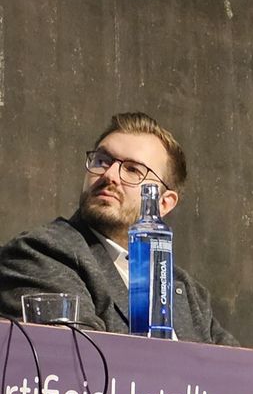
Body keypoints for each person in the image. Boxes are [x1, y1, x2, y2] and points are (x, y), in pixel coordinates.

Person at [0, 112, 237, 345]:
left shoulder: (186, 291)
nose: (110, 175)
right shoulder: (42, 252)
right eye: (102, 161)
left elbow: (242, 370)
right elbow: (80, 359)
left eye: (133, 170)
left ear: (164, 203)